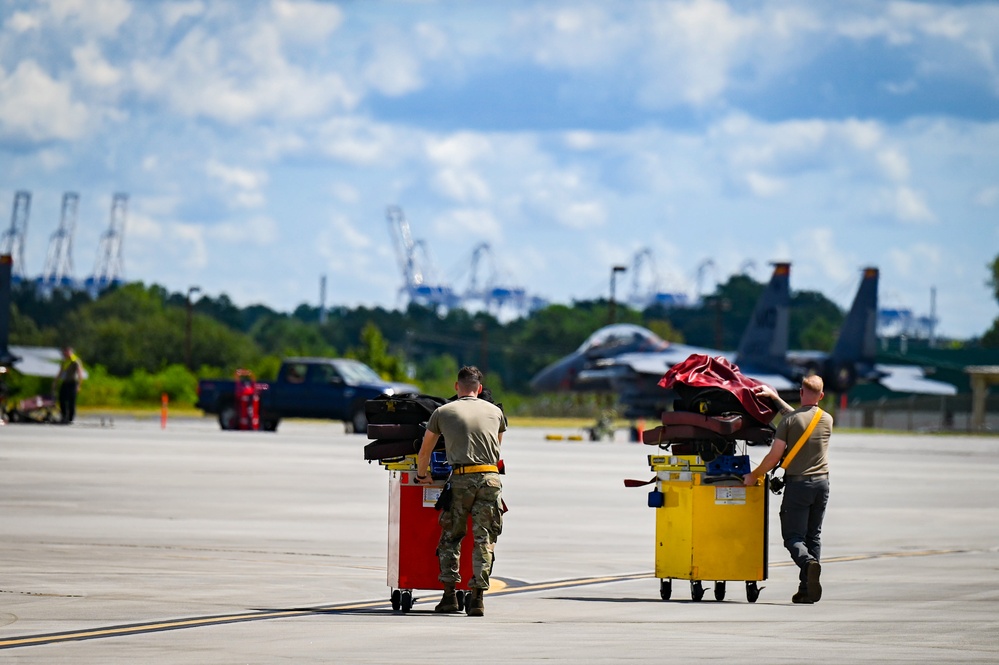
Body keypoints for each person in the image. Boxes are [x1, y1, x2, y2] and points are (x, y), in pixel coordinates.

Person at [416, 366, 507, 617]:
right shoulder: (496, 412)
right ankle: (477, 598)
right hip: (490, 478)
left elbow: (425, 450)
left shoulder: (443, 411)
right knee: (484, 539)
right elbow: (497, 450)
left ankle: (449, 596)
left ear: (457, 387)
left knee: (451, 537)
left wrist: (422, 474)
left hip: (461, 478)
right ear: (479, 388)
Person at [743, 374, 832, 604]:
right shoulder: (827, 419)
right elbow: (799, 416)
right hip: (822, 484)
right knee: (814, 536)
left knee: (793, 537)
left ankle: (807, 563)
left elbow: (774, 456)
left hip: (799, 485)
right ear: (821, 396)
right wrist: (775, 398)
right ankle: (807, 589)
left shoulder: (789, 422)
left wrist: (754, 475)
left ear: (801, 392)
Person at [54, 346, 84, 424]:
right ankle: (64, 416)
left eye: (66, 352)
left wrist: (79, 385)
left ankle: (70, 418)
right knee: (62, 399)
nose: (64, 354)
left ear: (70, 352)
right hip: (65, 383)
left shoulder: (75, 361)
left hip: (73, 383)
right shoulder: (65, 361)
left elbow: (80, 373)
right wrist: (55, 382)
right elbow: (60, 372)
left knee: (71, 401)